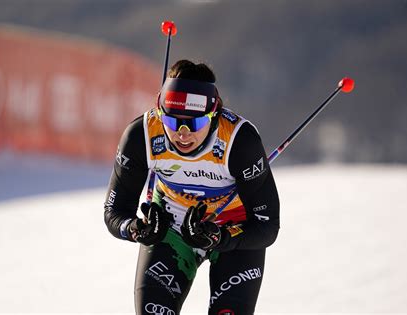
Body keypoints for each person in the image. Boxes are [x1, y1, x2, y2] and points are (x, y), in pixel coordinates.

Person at [104, 59, 280, 315]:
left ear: (214, 114)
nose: (182, 133)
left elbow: (267, 226)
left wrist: (222, 237)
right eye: (173, 122)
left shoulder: (239, 141)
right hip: (171, 228)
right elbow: (114, 212)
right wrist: (136, 229)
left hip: (232, 228)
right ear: (159, 112)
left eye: (194, 123)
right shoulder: (141, 134)